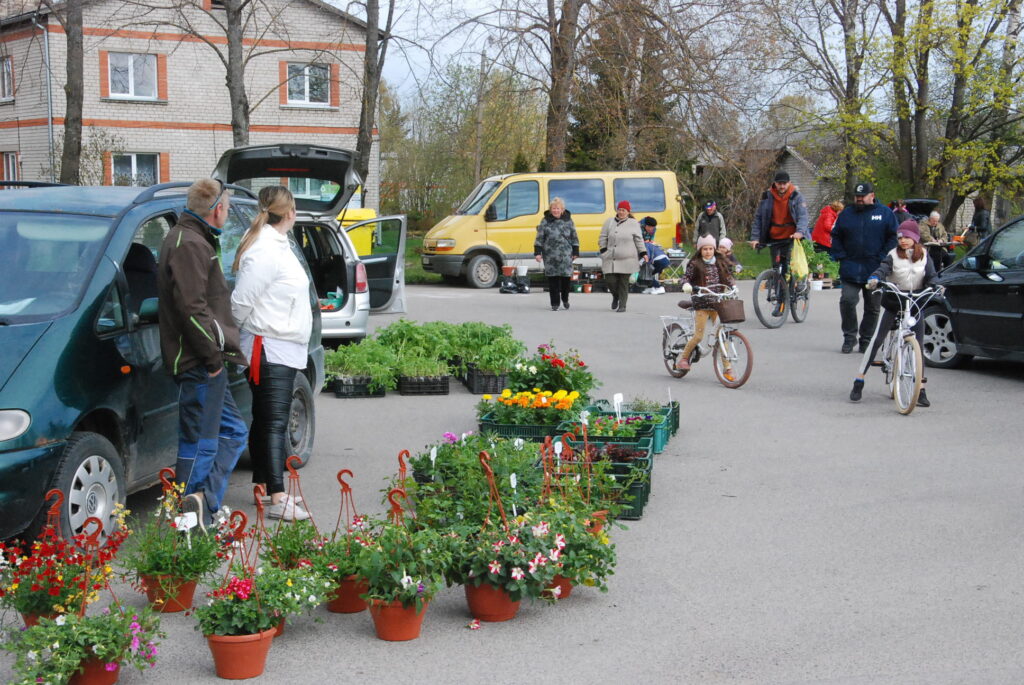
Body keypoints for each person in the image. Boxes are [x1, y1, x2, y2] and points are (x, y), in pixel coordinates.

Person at [157, 178, 248, 531]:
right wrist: (212, 358)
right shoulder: (188, 244)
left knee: (233, 433)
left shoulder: (194, 239)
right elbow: (192, 310)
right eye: (225, 206)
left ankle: (203, 505)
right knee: (200, 442)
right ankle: (185, 521)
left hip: (210, 359)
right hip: (199, 362)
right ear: (217, 209)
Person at [231, 186, 312, 522]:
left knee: (266, 419)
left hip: (281, 344)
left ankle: (263, 485)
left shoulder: (277, 244)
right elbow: (240, 304)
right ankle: (278, 497)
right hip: (270, 346)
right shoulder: (265, 249)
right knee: (275, 422)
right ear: (289, 212)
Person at [849, 220, 937, 406]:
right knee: (878, 339)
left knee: (919, 345)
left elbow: (931, 276)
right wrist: (875, 278)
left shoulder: (924, 256)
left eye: (907, 237)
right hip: (895, 301)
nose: (903, 241)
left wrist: (936, 286)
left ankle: (920, 389)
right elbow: (883, 270)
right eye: (900, 237)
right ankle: (859, 380)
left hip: (915, 303)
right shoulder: (893, 255)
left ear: (915, 238)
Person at [829, 181, 899, 354]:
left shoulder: (885, 213)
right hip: (850, 266)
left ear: (872, 196)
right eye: (857, 196)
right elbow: (836, 235)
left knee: (873, 307)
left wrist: (883, 258)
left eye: (862, 196)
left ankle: (866, 339)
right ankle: (849, 337)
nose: (859, 199)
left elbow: (893, 237)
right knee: (847, 300)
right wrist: (841, 255)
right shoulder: (846, 214)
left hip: (874, 269)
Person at [675, 234, 737, 379]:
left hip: (717, 303)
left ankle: (727, 368)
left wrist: (733, 285)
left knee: (722, 336)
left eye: (710, 248)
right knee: (698, 335)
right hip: (701, 303)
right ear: (700, 250)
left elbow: (727, 277)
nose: (708, 251)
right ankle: (683, 358)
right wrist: (686, 284)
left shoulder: (719, 262)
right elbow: (686, 277)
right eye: (705, 249)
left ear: (714, 249)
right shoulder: (695, 263)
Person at [748, 170, 809, 279]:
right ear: (775, 183)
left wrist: (799, 232)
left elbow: (803, 216)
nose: (782, 186)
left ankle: (796, 286)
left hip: (791, 237)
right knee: (776, 266)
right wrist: (755, 238)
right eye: (779, 183)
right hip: (775, 237)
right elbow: (759, 218)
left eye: (784, 183)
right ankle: (778, 291)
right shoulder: (767, 196)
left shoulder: (797, 196)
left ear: (789, 183)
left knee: (789, 266)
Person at [599, 200, 646, 312]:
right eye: (619, 209)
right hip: (611, 258)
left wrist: (643, 253)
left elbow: (639, 240)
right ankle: (616, 296)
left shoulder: (634, 223)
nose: (621, 212)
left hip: (628, 259)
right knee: (611, 281)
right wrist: (603, 249)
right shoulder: (609, 222)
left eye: (623, 210)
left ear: (628, 212)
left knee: (623, 283)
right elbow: (602, 237)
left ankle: (622, 305)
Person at [534, 197, 580, 311]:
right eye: (553, 208)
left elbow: (574, 236)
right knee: (553, 280)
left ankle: (565, 299)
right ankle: (554, 303)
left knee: (565, 279)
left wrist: (575, 251)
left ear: (562, 209)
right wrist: (537, 252)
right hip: (550, 255)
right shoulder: (545, 221)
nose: (555, 210)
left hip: (565, 255)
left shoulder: (568, 221)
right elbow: (539, 237)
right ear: (550, 209)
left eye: (558, 208)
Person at [641, 219, 670, 294]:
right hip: (665, 259)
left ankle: (659, 287)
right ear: (645, 225)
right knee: (650, 273)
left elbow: (648, 256)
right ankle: (651, 287)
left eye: (653, 228)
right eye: (650, 228)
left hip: (659, 260)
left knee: (646, 273)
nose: (651, 229)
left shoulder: (646, 244)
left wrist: (647, 263)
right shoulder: (639, 228)